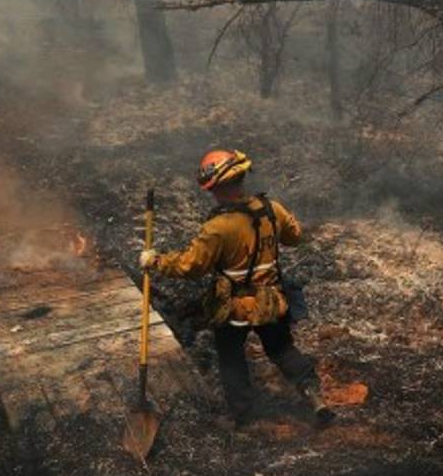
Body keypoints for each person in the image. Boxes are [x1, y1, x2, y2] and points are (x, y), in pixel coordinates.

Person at [139, 149, 333, 428]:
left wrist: (156, 261)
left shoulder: (218, 227)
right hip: (270, 300)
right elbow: (295, 236)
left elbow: (191, 266)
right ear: (240, 177)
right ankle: (313, 394)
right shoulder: (271, 209)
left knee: (231, 356)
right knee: (281, 348)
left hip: (234, 306)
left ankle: (243, 416)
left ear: (217, 186)